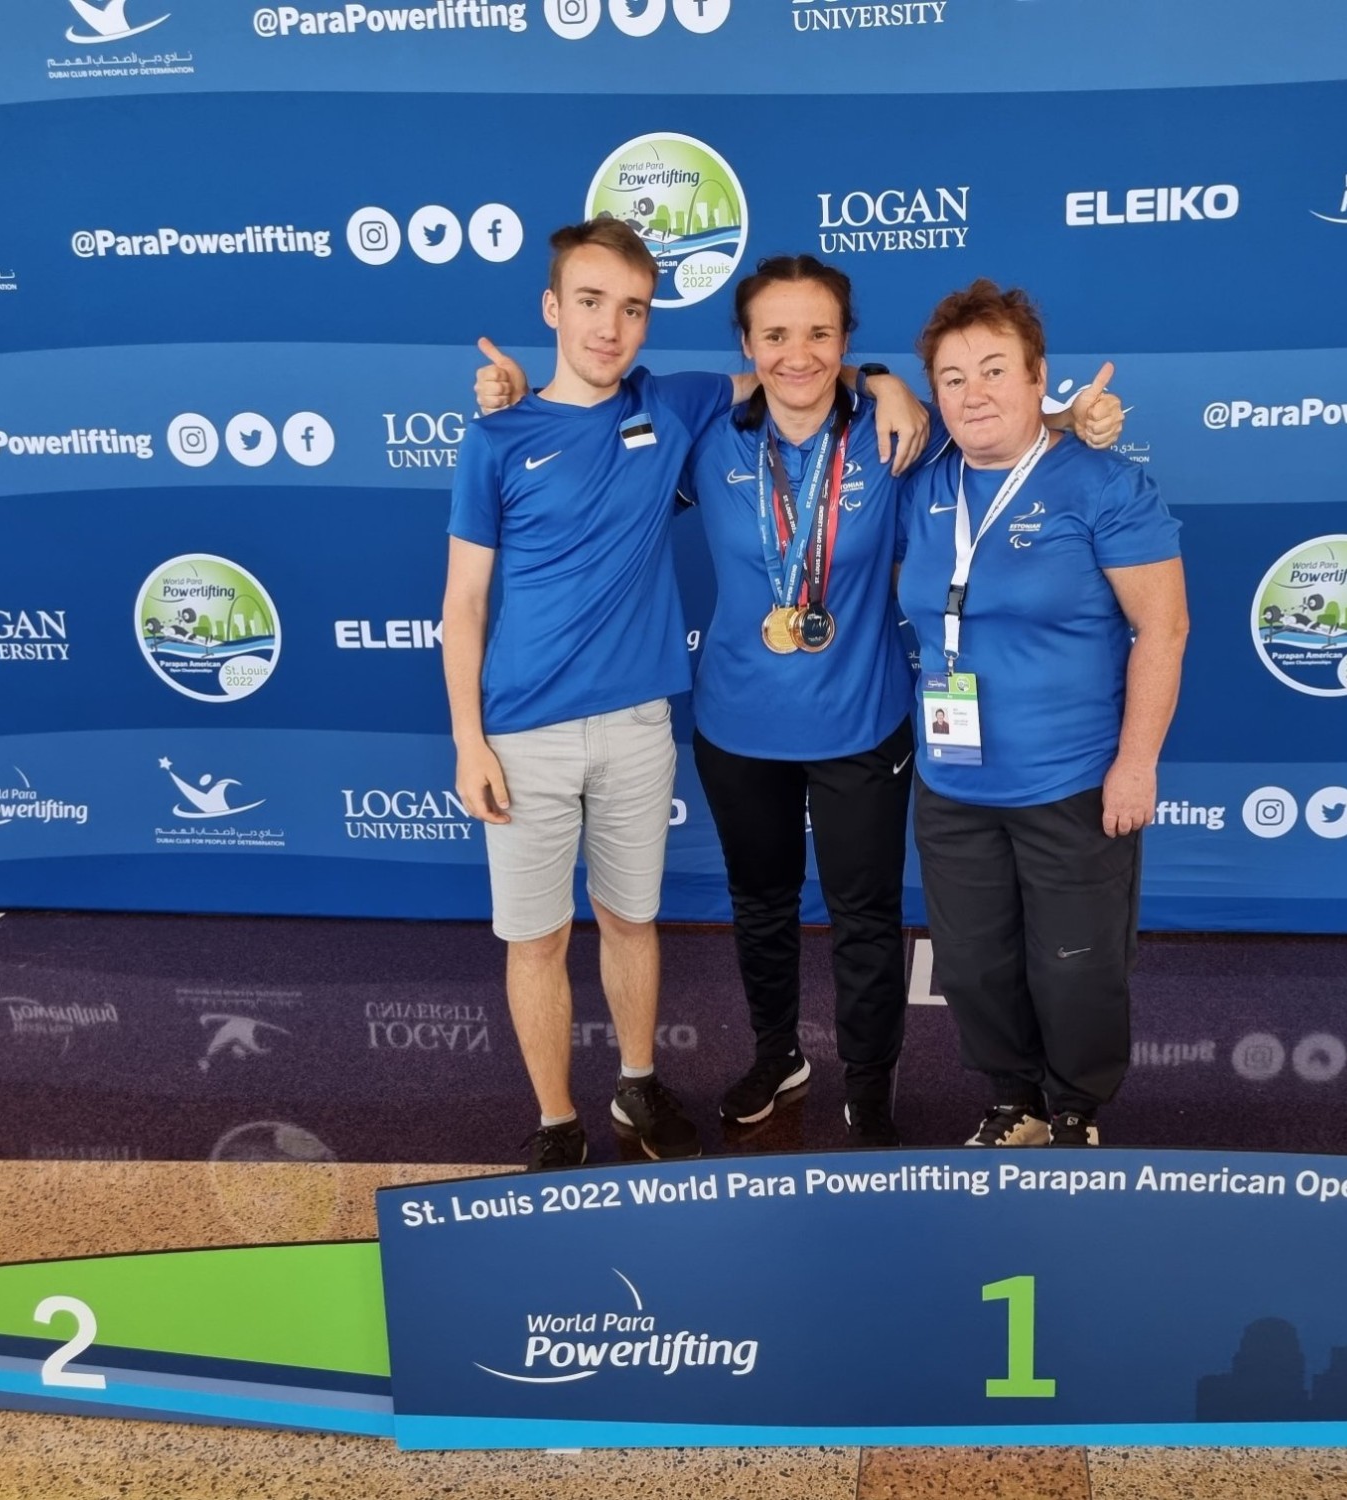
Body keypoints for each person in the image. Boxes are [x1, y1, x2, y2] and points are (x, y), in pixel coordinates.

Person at [473, 255, 1122, 1150]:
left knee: (865, 918)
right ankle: (777, 1056)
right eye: (775, 335)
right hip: (739, 726)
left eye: (820, 333)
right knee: (762, 906)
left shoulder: (897, 432)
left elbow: (996, 433)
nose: (798, 354)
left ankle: (869, 1086)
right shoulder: (702, 431)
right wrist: (515, 400)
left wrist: (1069, 419)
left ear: (846, 342)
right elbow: (589, 431)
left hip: (863, 721)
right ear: (746, 347)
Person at [448, 223, 925, 1172]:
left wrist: (886, 380)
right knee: (553, 936)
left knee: (643, 920)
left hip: (657, 722)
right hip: (548, 728)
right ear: (552, 307)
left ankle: (674, 1083)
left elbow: (813, 375)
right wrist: (468, 738)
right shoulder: (514, 435)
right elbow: (462, 602)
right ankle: (564, 1121)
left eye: (632, 309)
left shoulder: (678, 405)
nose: (610, 327)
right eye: (591, 303)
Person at [895, 279, 1187, 1148]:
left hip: (1072, 782)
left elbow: (1164, 628)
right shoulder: (924, 486)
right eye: (952, 379)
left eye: (995, 370)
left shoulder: (1103, 485)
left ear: (1036, 377)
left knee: (1076, 969)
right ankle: (1013, 1101)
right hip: (953, 782)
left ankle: (1075, 1109)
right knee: (973, 967)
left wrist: (1136, 763)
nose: (974, 393)